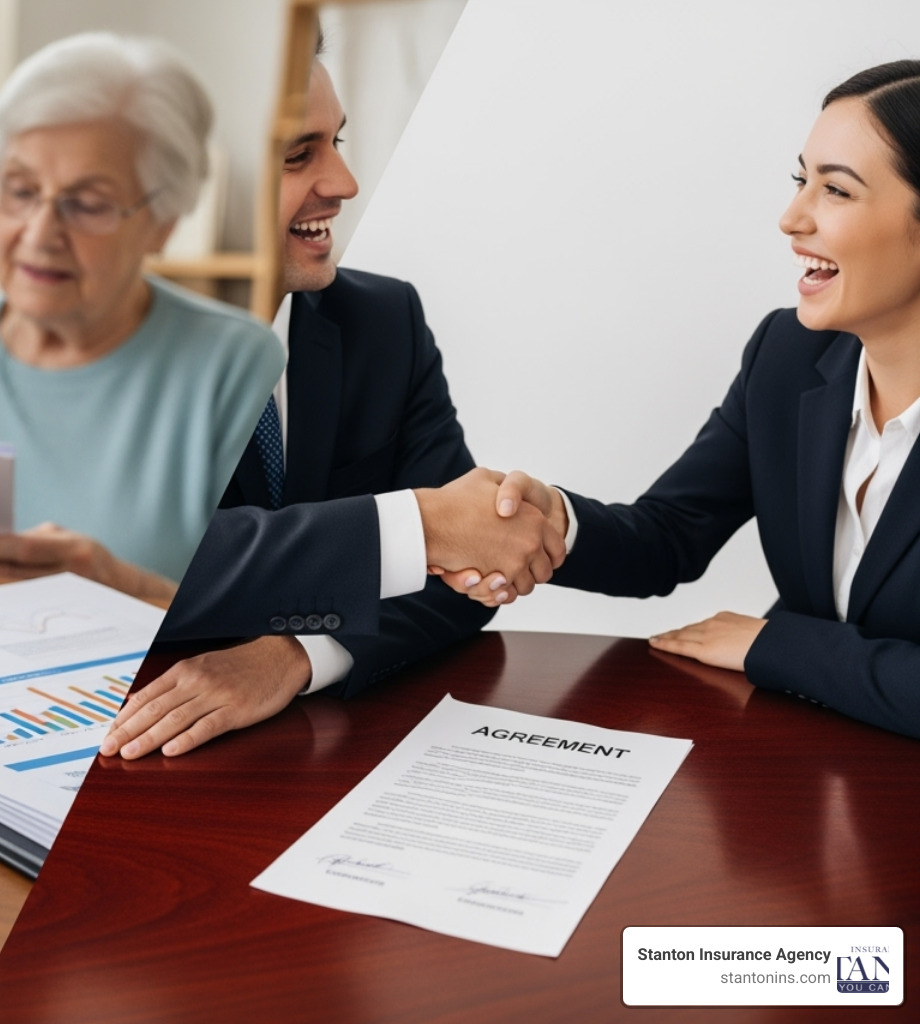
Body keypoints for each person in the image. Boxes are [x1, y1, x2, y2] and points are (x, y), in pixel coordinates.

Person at [99, 47, 563, 759]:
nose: (344, 182)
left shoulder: (385, 321)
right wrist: (416, 527)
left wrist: (299, 654)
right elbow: (124, 572)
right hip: (132, 745)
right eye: (297, 154)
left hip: (329, 745)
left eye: (337, 141)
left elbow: (462, 579)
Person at [450, 60, 920, 741]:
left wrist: (773, 645)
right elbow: (670, 536)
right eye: (800, 180)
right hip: (794, 772)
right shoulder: (788, 355)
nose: (791, 218)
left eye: (837, 191)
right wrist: (550, 521)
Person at [0, 33, 284, 597]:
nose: (40, 233)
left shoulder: (243, 369)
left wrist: (120, 588)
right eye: (20, 190)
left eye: (89, 204)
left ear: (165, 220)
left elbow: (284, 619)